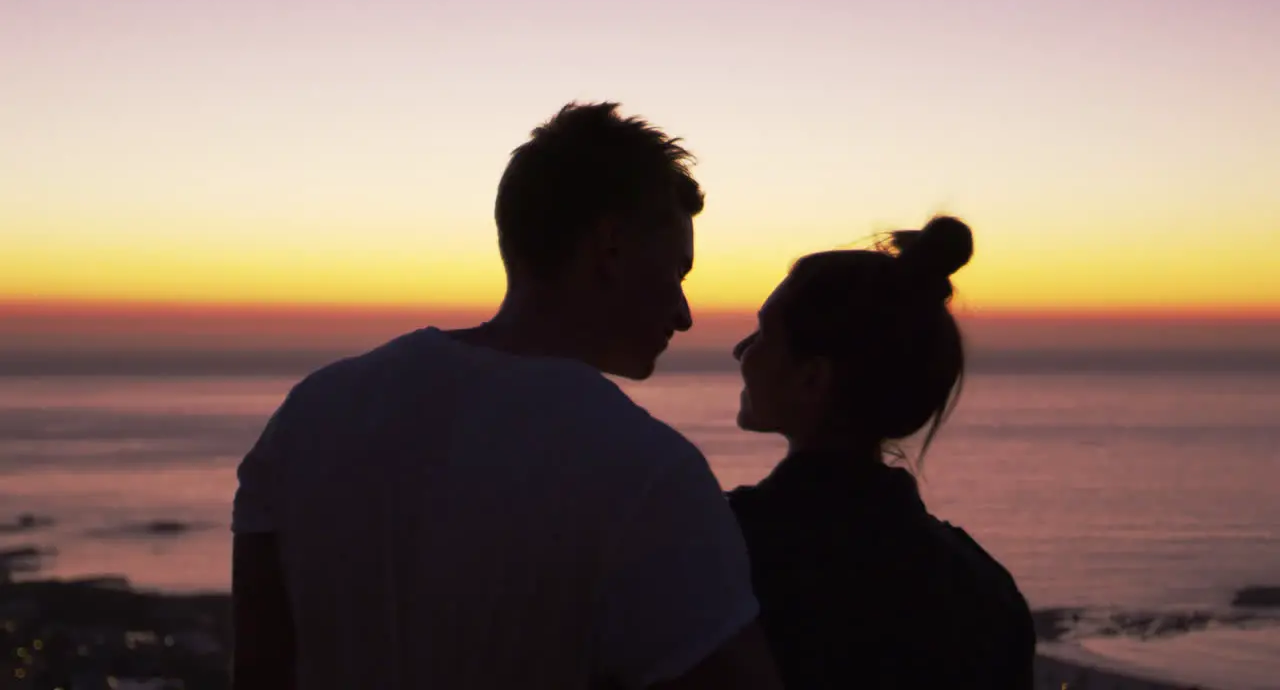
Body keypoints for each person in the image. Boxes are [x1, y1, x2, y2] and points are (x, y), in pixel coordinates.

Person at [231, 102, 782, 690]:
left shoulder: (313, 413)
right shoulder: (649, 472)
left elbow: (259, 671)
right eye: (677, 271)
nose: (684, 314)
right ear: (611, 246)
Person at [728, 215, 1036, 689]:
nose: (740, 350)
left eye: (763, 334)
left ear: (813, 379)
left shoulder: (724, 550)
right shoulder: (981, 584)